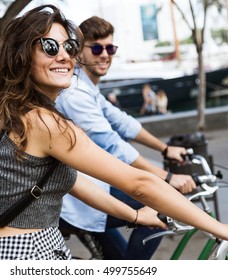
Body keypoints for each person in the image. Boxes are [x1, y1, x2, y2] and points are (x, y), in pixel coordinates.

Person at [0, 5, 228, 260]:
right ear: (22, 56)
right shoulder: (45, 123)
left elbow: (76, 182)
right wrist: (222, 228)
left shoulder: (15, 112)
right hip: (30, 254)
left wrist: (135, 215)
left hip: (21, 248)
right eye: (50, 47)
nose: (64, 56)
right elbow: (138, 183)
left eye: (69, 47)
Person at [56, 16, 197, 260]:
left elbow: (122, 122)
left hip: (90, 186)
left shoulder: (87, 87)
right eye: (97, 48)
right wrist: (166, 178)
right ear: (79, 53)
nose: (105, 54)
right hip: (76, 196)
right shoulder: (74, 93)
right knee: (159, 203)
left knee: (120, 260)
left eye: (110, 48)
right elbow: (111, 144)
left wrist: (165, 149)